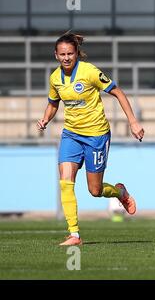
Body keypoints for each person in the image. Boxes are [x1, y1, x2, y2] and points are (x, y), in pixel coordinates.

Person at [37, 32, 145, 246]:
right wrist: (45, 119)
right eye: (62, 54)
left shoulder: (89, 72)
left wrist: (133, 122)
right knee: (66, 182)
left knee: (95, 191)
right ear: (56, 55)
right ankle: (74, 235)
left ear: (76, 53)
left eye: (70, 53)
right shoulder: (54, 78)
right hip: (71, 135)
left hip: (96, 135)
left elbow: (118, 93)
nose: (66, 57)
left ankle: (120, 192)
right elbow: (53, 103)